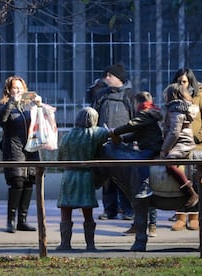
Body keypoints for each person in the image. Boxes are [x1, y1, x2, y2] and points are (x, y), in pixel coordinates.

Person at [56, 107, 115, 251]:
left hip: (68, 177)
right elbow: (112, 133)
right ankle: (90, 245)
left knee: (66, 211)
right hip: (85, 177)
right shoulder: (95, 133)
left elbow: (60, 159)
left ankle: (65, 244)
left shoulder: (68, 136)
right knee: (87, 213)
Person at [107, 91, 163, 236]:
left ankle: (151, 224)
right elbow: (137, 134)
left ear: (138, 102)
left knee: (141, 180)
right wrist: (123, 139)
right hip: (150, 147)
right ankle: (139, 225)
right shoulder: (150, 113)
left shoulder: (145, 113)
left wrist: (114, 131)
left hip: (150, 149)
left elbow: (131, 125)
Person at [0, 76, 42, 233]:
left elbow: (41, 123)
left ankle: (23, 220)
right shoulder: (4, 105)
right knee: (17, 182)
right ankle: (11, 221)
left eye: (20, 88)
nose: (18, 91)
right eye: (14, 88)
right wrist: (11, 102)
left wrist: (40, 106)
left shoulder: (29, 106)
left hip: (30, 149)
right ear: (8, 90)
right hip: (13, 149)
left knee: (29, 182)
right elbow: (1, 118)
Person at [169, 68, 202, 231]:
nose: (182, 84)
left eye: (185, 81)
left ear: (190, 82)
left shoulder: (200, 95)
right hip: (178, 146)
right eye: (179, 81)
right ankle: (180, 216)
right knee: (180, 181)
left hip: (195, 146)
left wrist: (198, 137)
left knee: (197, 180)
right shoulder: (173, 95)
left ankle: (195, 217)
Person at [92, 63, 135, 221]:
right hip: (104, 143)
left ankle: (128, 210)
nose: (106, 78)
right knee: (107, 179)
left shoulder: (131, 95)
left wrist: (133, 139)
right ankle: (109, 210)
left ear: (119, 78)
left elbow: (136, 119)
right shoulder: (101, 94)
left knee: (125, 178)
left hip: (125, 144)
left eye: (110, 75)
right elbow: (93, 116)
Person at [160, 83, 200, 208]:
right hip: (183, 139)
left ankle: (191, 193)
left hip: (182, 142)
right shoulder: (182, 107)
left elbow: (174, 132)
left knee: (169, 164)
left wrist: (164, 149)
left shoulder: (176, 109)